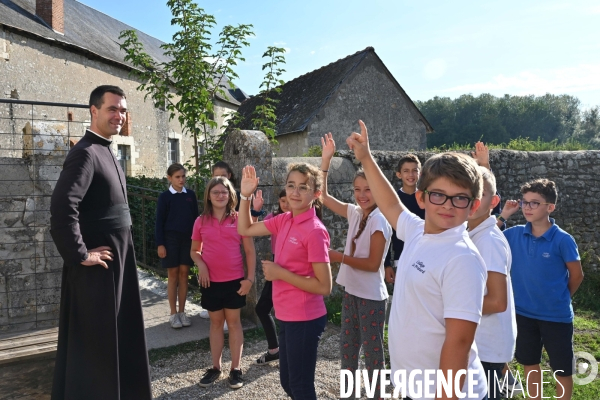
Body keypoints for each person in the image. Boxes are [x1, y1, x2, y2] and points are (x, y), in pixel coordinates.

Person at [346, 120, 488, 399]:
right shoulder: (417, 231)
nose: (448, 204)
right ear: (422, 198)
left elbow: (459, 342)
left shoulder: (462, 258)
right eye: (439, 195)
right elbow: (389, 203)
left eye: (460, 198)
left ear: (473, 206)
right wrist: (366, 158)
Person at [50, 85, 151, 399]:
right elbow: (62, 208)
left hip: (118, 265)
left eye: (122, 110)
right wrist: (81, 254)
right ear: (93, 111)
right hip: (99, 272)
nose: (119, 116)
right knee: (96, 350)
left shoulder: (106, 150)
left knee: (118, 340)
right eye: (112, 109)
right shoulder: (84, 153)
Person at [238, 163, 332, 400]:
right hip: (287, 315)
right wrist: (245, 195)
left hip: (306, 318)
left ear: (316, 194)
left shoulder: (314, 230)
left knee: (300, 387)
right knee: (288, 382)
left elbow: (325, 286)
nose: (295, 193)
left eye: (303, 187)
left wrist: (281, 274)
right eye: (291, 185)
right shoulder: (284, 220)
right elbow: (245, 228)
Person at [321, 133, 392, 397]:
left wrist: (338, 257)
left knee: (374, 358)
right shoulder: (355, 212)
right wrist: (326, 161)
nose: (362, 195)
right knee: (348, 349)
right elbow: (324, 196)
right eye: (358, 190)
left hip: (372, 298)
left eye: (368, 189)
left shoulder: (379, 220)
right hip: (352, 292)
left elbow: (374, 265)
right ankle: (349, 394)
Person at [502, 179, 584, 400]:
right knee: (530, 363)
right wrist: (504, 216)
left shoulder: (563, 239)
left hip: (556, 316)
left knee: (561, 368)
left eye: (534, 203)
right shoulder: (514, 234)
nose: (527, 207)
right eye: (525, 202)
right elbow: (486, 234)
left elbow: (577, 275)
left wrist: (561, 298)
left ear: (550, 207)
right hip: (523, 314)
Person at [191, 176, 256, 389]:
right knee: (216, 323)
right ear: (208, 196)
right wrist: (200, 264)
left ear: (231, 195)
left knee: (234, 323)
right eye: (215, 192)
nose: (220, 195)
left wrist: (249, 279)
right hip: (211, 282)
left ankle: (236, 369)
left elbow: (249, 251)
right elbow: (194, 251)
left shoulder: (240, 219)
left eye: (224, 192)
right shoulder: (200, 221)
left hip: (235, 281)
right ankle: (215, 368)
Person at [466, 167, 517, 400]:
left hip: (487, 346)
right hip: (481, 341)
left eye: (481, 194)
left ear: (494, 201)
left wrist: (447, 307)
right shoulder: (473, 233)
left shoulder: (489, 241)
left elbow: (497, 302)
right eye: (467, 192)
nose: (473, 200)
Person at [155, 163, 199, 329]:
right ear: (169, 178)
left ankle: (182, 312)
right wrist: (160, 243)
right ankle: (173, 314)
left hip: (188, 240)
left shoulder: (190, 195)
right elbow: (159, 222)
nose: (181, 180)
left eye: (183, 176)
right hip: (170, 240)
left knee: (184, 273)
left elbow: (196, 220)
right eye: (177, 177)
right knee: (173, 275)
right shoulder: (165, 197)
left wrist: (198, 241)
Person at [254, 189, 289, 365]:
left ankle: (283, 351)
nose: (286, 204)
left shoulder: (302, 220)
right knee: (263, 308)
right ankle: (275, 350)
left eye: (289, 200)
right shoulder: (275, 217)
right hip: (277, 266)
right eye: (283, 201)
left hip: (292, 267)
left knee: (287, 312)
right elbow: (252, 228)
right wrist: (254, 209)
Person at [383, 153, 425, 284]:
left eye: (414, 171)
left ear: (420, 173)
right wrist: (386, 264)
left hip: (424, 257)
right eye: (406, 171)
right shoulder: (394, 201)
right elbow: (387, 233)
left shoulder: (427, 199)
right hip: (400, 258)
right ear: (399, 174)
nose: (410, 175)